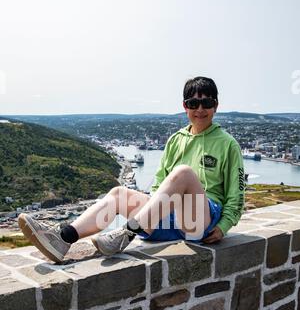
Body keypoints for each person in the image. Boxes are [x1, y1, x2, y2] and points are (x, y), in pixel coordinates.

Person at [18, 77, 245, 263]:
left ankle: (126, 233)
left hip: (200, 222)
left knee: (183, 173)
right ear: (185, 107)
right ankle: (63, 238)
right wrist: (151, 207)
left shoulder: (227, 144)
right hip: (170, 219)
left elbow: (237, 196)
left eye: (207, 103)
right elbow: (159, 184)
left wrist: (224, 227)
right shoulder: (176, 140)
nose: (200, 109)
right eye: (193, 103)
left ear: (216, 105)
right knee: (119, 194)